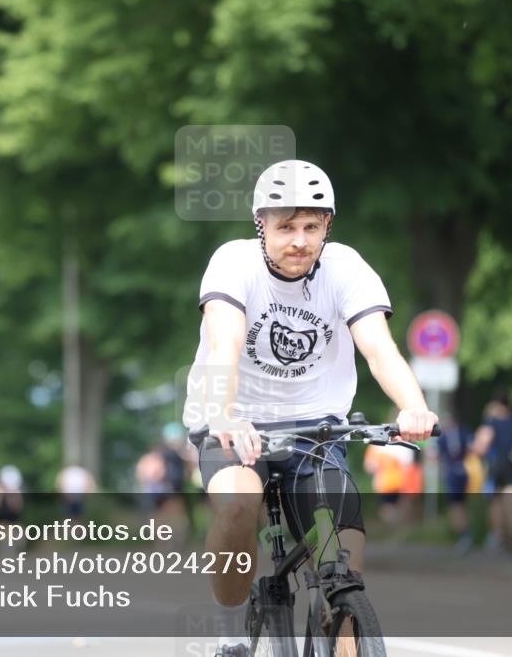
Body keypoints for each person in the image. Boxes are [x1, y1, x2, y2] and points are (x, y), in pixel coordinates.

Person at [182, 159, 438, 657]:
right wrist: (226, 413)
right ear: (262, 226)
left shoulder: (345, 268)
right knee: (237, 507)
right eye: (285, 228)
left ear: (327, 226)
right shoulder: (234, 264)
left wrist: (414, 408)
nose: (299, 240)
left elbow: (380, 350)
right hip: (236, 423)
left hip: (317, 431)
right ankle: (232, 634)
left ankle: (338, 626)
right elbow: (226, 347)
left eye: (310, 227)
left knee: (342, 566)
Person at [473, 390, 512, 551]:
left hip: (496, 464)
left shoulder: (492, 422)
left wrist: (478, 451)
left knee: (496, 502)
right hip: (511, 464)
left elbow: (482, 445)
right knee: (511, 499)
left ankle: (497, 536)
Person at [436, 414, 475, 554]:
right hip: (454, 472)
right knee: (457, 504)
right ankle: (463, 532)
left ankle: (464, 533)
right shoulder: (446, 436)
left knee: (458, 504)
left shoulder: (462, 432)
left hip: (460, 472)